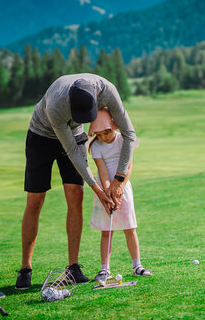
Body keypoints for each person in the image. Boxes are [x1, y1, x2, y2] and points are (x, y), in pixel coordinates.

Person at [16, 74, 137, 290]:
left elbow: (129, 134)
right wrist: (99, 189)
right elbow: (72, 151)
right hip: (41, 136)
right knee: (35, 200)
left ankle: (73, 266)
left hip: (74, 133)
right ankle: (26, 268)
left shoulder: (108, 90)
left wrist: (119, 180)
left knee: (75, 195)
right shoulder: (56, 105)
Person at [88, 108, 152, 282]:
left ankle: (137, 265)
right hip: (104, 191)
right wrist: (108, 191)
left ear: (113, 126)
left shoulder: (124, 140)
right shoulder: (96, 146)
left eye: (106, 133)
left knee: (130, 228)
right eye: (99, 134)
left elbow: (128, 167)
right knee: (106, 231)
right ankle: (104, 269)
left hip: (123, 188)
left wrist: (120, 186)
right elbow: (102, 171)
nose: (103, 138)